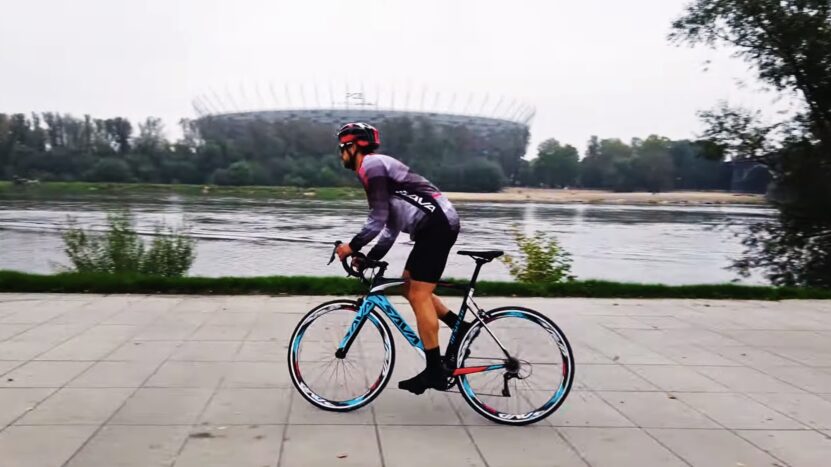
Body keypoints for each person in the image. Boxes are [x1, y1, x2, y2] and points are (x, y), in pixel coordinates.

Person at [334, 122, 469, 395]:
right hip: (434, 226)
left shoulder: (371, 166)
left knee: (419, 294)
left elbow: (377, 219)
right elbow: (391, 226)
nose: (340, 155)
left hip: (436, 225)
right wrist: (369, 257)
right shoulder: (376, 169)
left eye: (341, 148)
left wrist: (351, 247)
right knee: (410, 286)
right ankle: (460, 327)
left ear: (353, 147)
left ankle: (434, 371)